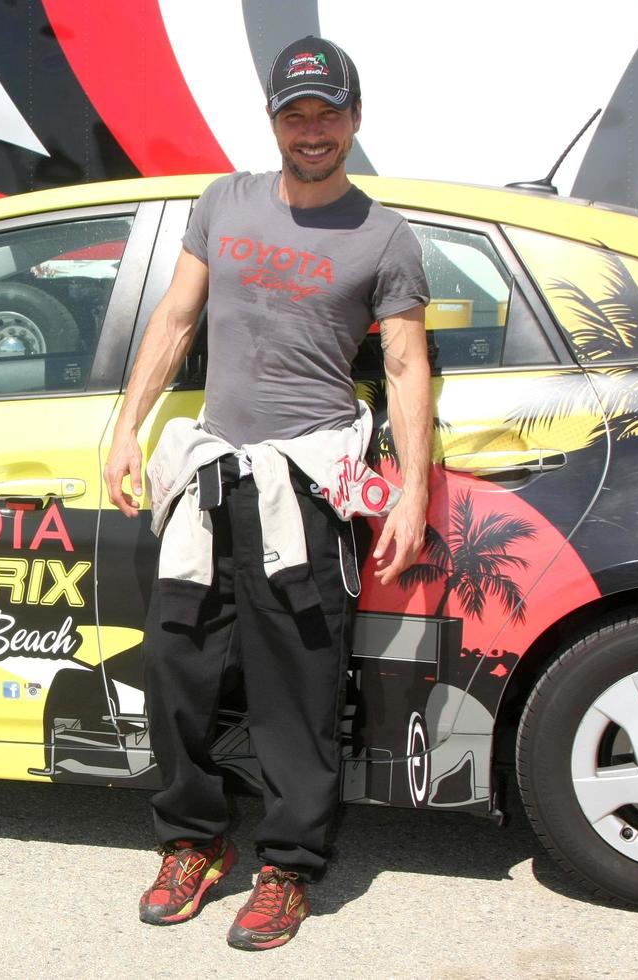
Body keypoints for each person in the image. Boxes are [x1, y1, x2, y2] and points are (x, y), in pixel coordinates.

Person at [102, 35, 432, 951]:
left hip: (309, 485)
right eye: (297, 114)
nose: (314, 130)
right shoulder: (224, 202)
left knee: (298, 688)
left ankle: (288, 866)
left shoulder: (384, 236)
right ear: (275, 123)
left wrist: (410, 491)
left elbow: (405, 367)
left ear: (354, 120)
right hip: (210, 478)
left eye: (329, 113)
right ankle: (194, 842)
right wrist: (128, 427)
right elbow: (175, 318)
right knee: (178, 668)